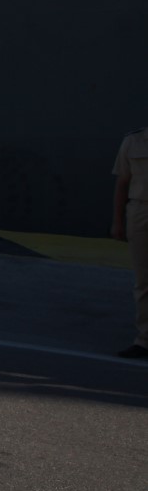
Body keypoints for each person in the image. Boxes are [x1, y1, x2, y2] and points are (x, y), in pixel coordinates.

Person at [112, 124, 148, 358]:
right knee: (143, 282)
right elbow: (122, 184)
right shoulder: (133, 141)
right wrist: (117, 222)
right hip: (140, 213)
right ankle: (144, 340)